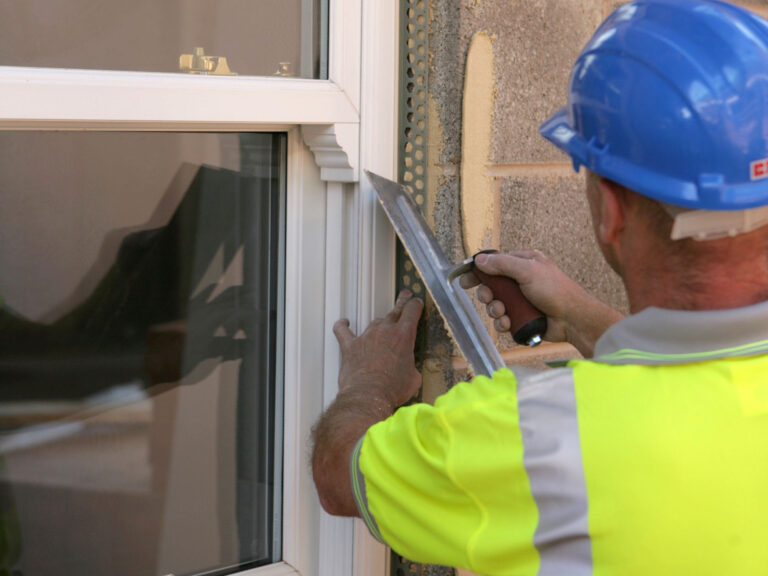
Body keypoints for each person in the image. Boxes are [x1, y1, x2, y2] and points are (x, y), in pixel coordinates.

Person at [312, 1, 768, 574]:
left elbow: (341, 477)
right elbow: (704, 379)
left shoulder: (536, 435)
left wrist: (368, 386)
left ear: (610, 210)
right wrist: (576, 316)